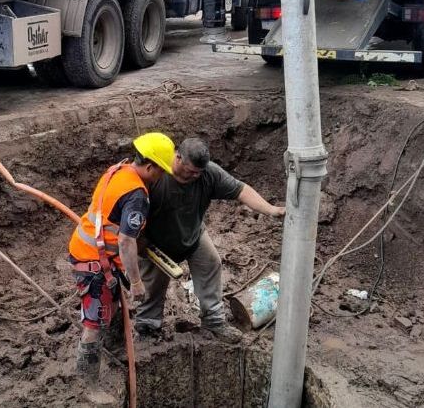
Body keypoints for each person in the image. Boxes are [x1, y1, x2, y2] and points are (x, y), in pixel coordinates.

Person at [135, 137, 285, 343]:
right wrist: (138, 239)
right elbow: (128, 208)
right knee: (153, 285)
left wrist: (271, 209)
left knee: (211, 263)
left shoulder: (207, 173)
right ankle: (148, 326)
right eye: (190, 171)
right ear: (177, 157)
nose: (195, 176)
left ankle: (213, 321)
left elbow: (241, 190)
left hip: (193, 234)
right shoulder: (157, 174)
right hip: (155, 242)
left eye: (199, 172)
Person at [68, 132, 175, 385]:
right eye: (161, 171)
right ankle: (87, 383)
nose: (161, 178)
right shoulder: (137, 195)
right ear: (150, 166)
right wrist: (136, 282)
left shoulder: (118, 169)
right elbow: (126, 241)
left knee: (112, 307)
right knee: (94, 322)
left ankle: (115, 350)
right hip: (94, 261)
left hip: (88, 248)